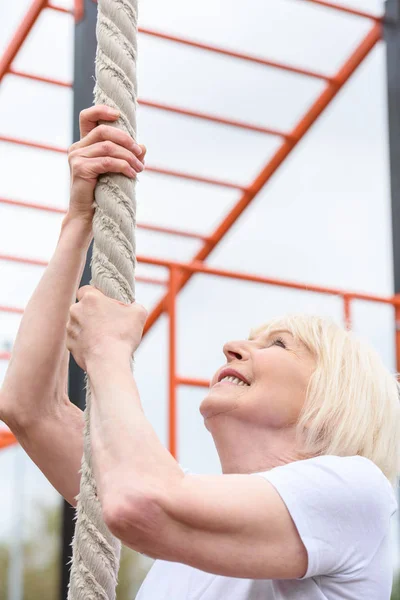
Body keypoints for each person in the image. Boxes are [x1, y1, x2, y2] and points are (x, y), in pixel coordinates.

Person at [0, 105, 399, 600]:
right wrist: (78, 221)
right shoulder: (188, 536)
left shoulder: (356, 492)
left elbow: (142, 501)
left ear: (336, 397)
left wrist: (108, 350)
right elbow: (30, 409)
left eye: (277, 344)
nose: (234, 346)